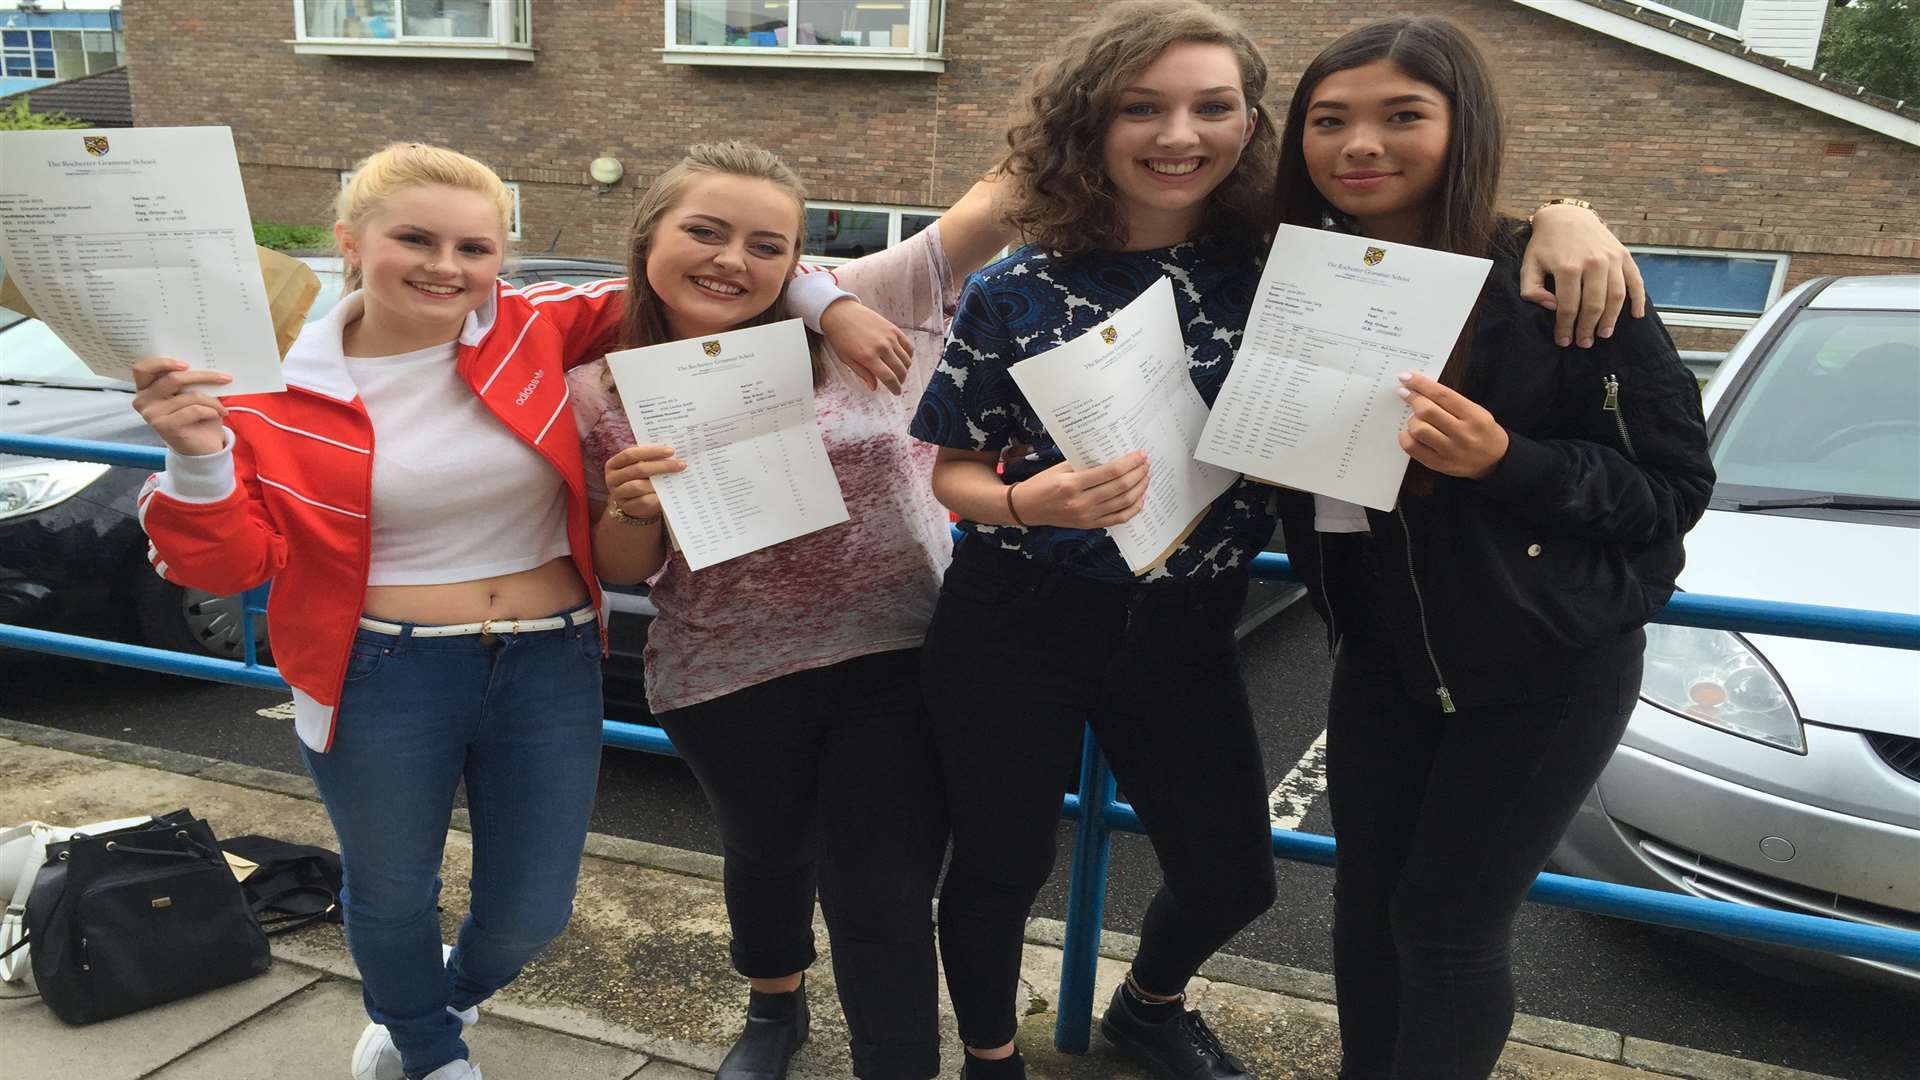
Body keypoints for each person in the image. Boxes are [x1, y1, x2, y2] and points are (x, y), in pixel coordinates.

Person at [904, 3, 1646, 1078]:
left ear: (1252, 123)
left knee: (1232, 878)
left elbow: (1436, 226)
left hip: (1185, 620)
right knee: (999, 868)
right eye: (1143, 108)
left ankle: (1148, 1008)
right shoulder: (1018, 284)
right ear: (1089, 122)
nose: (1180, 135)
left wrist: (1564, 212)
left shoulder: (1297, 266)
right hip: (1011, 618)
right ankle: (989, 1060)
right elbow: (952, 473)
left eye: (1215, 107)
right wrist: (1030, 503)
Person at [1266, 17, 1715, 1079]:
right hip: (1382, 657)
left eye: (1402, 116)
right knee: (1365, 916)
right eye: (1329, 122)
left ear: (1463, 127)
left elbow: (1673, 491)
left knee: (1446, 927)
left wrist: (1508, 459)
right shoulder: (1304, 273)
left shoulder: (1559, 283)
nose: (1360, 144)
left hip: (1544, 669)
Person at [133, 142, 633, 1080]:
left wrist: (831, 306)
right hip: (381, 671)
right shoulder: (268, 382)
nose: (448, 268)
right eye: (415, 238)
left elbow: (711, 276)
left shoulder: (531, 326)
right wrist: (197, 453)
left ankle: (429, 1002)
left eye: (476, 249)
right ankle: (431, 1052)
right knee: (395, 891)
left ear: (502, 259)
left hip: (550, 660)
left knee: (532, 910)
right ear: (350, 242)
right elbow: (231, 561)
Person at [569, 141, 1013, 1080]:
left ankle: (896, 1065)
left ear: (796, 260)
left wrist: (830, 299)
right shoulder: (598, 384)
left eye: (767, 246)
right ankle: (774, 1005)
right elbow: (625, 565)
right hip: (723, 666)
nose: (734, 260)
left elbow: (1000, 199)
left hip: (894, 654)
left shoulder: (864, 308)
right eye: (705, 231)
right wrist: (631, 507)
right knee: (765, 854)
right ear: (649, 233)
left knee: (881, 896)